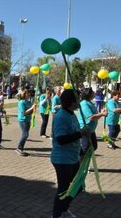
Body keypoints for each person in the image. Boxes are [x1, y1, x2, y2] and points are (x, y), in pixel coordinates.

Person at [51, 89, 90, 218]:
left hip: (72, 158)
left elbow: (75, 132)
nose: (79, 101)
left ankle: (63, 208)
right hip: (62, 159)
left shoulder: (72, 114)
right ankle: (56, 215)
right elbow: (61, 139)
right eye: (77, 99)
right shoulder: (61, 117)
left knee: (78, 186)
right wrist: (80, 134)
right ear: (71, 102)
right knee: (63, 189)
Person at [78, 88, 107, 157]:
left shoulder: (90, 102)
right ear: (89, 94)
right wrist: (102, 114)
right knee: (84, 149)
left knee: (94, 146)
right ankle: (79, 165)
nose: (94, 93)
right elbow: (91, 117)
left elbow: (95, 115)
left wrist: (101, 112)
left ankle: (85, 162)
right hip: (84, 129)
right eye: (93, 92)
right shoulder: (84, 103)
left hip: (90, 130)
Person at [15, 88, 36, 156]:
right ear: (24, 95)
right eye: (27, 93)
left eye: (28, 93)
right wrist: (32, 108)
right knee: (25, 134)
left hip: (28, 120)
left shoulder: (29, 102)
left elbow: (31, 111)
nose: (29, 94)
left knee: (25, 135)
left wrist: (34, 108)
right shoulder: (21, 102)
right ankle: (19, 148)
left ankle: (21, 148)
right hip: (22, 120)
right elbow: (24, 113)